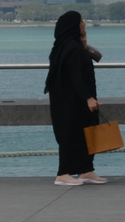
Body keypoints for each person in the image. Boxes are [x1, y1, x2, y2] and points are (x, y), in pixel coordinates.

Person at [44, 10, 108, 186]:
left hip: (76, 99)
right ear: (73, 26)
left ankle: (86, 170)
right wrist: (88, 98)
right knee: (69, 134)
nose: (84, 25)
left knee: (86, 133)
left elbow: (97, 57)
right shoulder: (70, 48)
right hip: (70, 101)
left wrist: (84, 43)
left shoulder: (70, 46)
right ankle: (62, 174)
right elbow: (75, 76)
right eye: (81, 22)